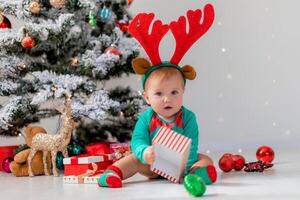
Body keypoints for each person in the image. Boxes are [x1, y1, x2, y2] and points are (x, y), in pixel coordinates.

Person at [98, 3, 216, 188]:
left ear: (183, 92)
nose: (167, 99)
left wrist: (184, 168)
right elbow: (138, 140)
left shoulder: (188, 118)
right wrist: (144, 152)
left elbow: (191, 146)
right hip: (152, 165)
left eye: (174, 92)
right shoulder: (146, 119)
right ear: (146, 97)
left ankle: (195, 174)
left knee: (205, 158)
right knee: (132, 160)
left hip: (181, 166)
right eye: (159, 93)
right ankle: (113, 174)